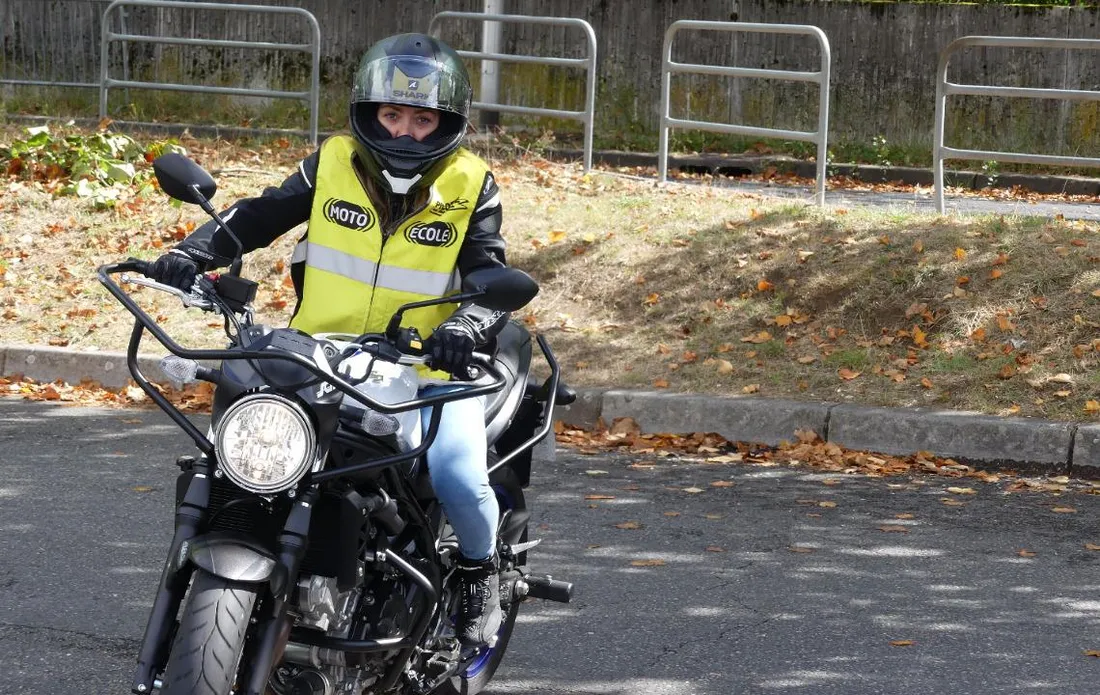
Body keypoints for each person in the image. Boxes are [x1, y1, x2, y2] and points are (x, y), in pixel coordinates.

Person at [150, 33, 507, 647]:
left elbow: (489, 277)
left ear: (447, 123)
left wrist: (464, 328)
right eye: (391, 114)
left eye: (422, 119)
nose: (404, 132)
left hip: (431, 369)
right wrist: (193, 252)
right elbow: (258, 215)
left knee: (457, 475)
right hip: (319, 355)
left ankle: (480, 573)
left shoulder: (473, 183)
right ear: (368, 113)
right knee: (244, 453)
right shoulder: (332, 162)